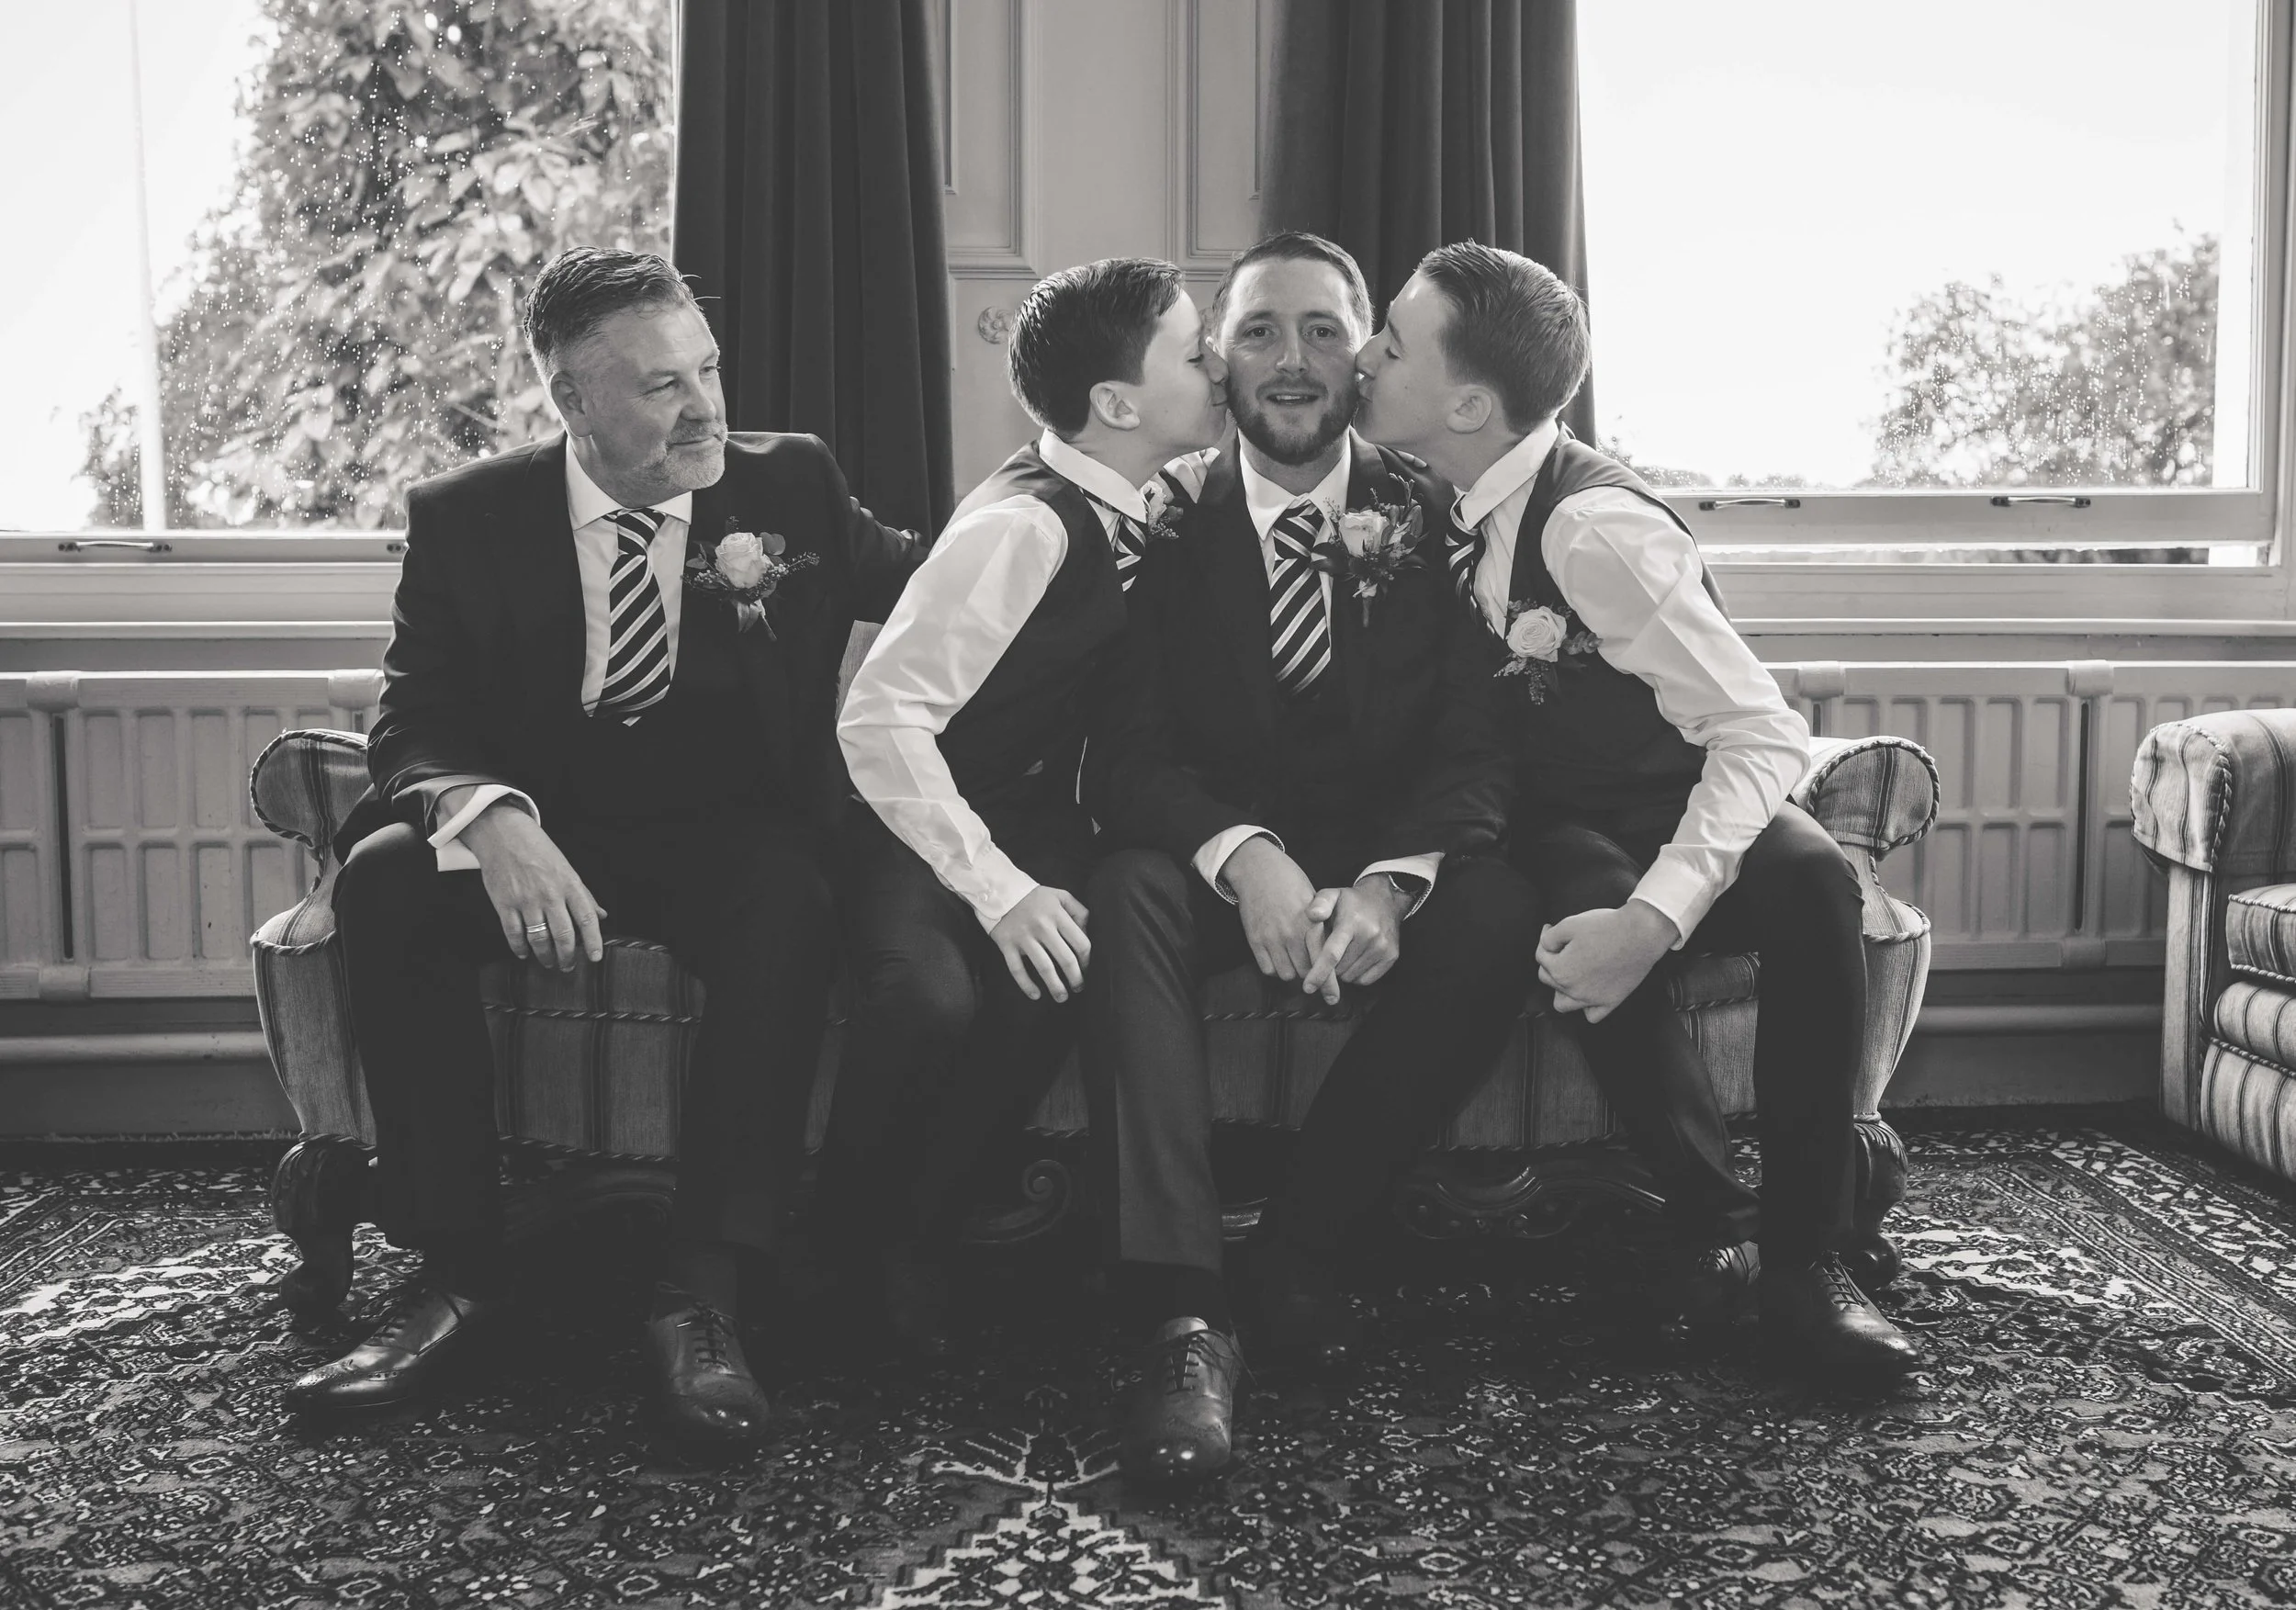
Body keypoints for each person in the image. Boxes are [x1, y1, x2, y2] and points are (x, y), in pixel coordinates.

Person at [286, 247, 920, 1448]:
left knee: (789, 898)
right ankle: (459, 1278)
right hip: (545, 825)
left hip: (723, 836)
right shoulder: (467, 517)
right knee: (384, 881)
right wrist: (495, 820)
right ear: (570, 402)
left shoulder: (788, 487)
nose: (705, 407)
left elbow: (939, 587)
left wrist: (1075, 520)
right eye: (661, 386)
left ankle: (706, 1294)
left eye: (709, 370)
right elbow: (414, 716)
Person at [1355, 240, 1919, 1390]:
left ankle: (1806, 1262)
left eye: (1390, 340)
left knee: (1815, 882)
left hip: (1698, 786)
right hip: (1564, 811)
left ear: (1467, 402)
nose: (1365, 354)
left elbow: (1758, 733)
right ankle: (1720, 1216)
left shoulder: (1593, 530)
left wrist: (1661, 918)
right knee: (1576, 908)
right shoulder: (1429, 493)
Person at [1081, 232, 1540, 1480]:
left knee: (1496, 907)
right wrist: (1245, 856)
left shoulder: (1437, 512)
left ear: (1366, 355)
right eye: (1262, 331)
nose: (1293, 361)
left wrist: (1398, 880)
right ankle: (1185, 1313)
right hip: (1217, 871)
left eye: (1325, 330)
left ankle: (1302, 1249)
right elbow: (1123, 758)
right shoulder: (1156, 525)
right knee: (1123, 885)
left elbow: (1476, 743)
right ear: (1218, 360)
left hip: (1380, 866)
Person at [826, 257, 1229, 1355]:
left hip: (1031, 812)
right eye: (1195, 352)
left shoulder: (1142, 504)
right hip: (908, 813)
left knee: (1063, 966)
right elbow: (879, 721)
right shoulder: (1024, 528)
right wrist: (998, 891)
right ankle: (840, 1253)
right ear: (1117, 404)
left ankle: (924, 1227)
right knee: (933, 996)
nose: (1218, 365)